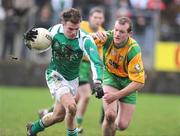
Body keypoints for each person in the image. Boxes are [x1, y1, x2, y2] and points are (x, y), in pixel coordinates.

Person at [24, 8, 104, 136]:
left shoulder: (85, 39)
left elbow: (96, 62)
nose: (74, 32)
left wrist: (98, 82)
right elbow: (40, 45)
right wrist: (29, 41)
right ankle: (73, 134)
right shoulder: (54, 31)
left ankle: (33, 129)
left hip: (72, 80)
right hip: (55, 74)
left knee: (58, 116)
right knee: (72, 107)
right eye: (70, 29)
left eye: (76, 29)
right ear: (62, 24)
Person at [91, 17, 145, 136]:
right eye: (115, 30)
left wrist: (116, 96)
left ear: (129, 34)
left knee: (122, 125)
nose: (117, 34)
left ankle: (111, 129)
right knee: (110, 115)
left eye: (121, 31)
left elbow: (139, 82)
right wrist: (93, 35)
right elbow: (84, 40)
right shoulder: (107, 37)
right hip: (111, 78)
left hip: (128, 82)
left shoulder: (133, 50)